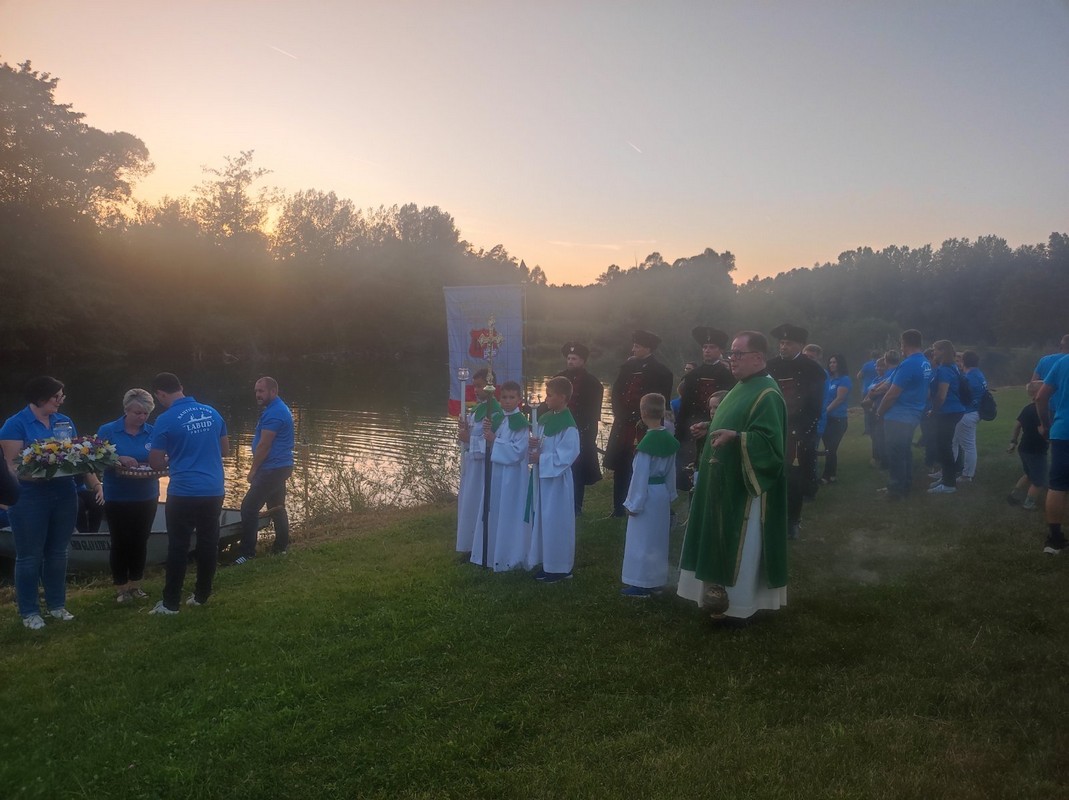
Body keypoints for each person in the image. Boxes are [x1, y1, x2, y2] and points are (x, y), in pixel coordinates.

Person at [677, 331, 788, 621]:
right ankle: (712, 598)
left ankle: (739, 605)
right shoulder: (743, 386)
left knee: (739, 541)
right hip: (722, 478)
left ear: (759, 358)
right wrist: (710, 425)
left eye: (739, 354)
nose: (732, 359)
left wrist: (737, 437)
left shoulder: (767, 392)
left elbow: (771, 443)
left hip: (744, 490)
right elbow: (737, 419)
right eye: (732, 354)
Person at [1, 377, 100, 630]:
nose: (61, 400)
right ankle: (30, 612)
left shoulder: (64, 422)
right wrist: (38, 474)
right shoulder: (15, 424)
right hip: (28, 497)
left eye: (62, 395)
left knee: (58, 552)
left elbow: (77, 457)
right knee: (29, 556)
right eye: (57, 396)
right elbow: (11, 467)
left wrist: (95, 482)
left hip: (65, 493)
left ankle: (56, 606)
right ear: (42, 397)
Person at [147, 372, 229, 615]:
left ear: (160, 394)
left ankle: (170, 603)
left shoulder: (165, 419)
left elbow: (154, 462)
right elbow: (224, 450)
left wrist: (174, 457)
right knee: (208, 543)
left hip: (184, 491)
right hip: (214, 489)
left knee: (179, 546)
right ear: (181, 387)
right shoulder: (212, 412)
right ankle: (202, 595)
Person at [96, 388, 160, 602]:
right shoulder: (108, 430)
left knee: (140, 540)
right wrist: (118, 459)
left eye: (145, 414)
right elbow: (96, 459)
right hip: (117, 496)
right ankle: (121, 588)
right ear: (126, 410)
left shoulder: (153, 432)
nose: (141, 418)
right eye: (137, 413)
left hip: (147, 495)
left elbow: (160, 458)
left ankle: (136, 585)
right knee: (120, 541)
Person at [603, 330, 673, 517]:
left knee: (641, 465)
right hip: (623, 422)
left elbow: (660, 400)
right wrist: (620, 413)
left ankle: (639, 504)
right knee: (621, 465)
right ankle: (618, 507)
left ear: (648, 348)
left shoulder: (661, 372)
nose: (633, 349)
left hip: (644, 425)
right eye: (633, 345)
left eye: (637, 346)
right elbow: (616, 392)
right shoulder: (627, 367)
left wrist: (645, 418)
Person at [766, 323, 825, 539]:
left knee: (794, 479)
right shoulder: (769, 366)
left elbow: (815, 406)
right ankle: (770, 517)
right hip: (771, 429)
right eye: (781, 343)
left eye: (788, 343)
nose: (783, 347)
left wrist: (801, 432)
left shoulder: (813, 370)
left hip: (797, 432)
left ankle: (793, 520)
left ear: (800, 345)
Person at [620, 393, 679, 598]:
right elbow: (672, 471)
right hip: (661, 493)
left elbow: (640, 476)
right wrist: (671, 494)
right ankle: (656, 581)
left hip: (646, 494)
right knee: (658, 538)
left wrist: (633, 503)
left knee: (642, 539)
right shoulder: (669, 439)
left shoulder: (647, 444)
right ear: (662, 413)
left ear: (643, 413)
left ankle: (641, 583)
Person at [235, 377, 294, 564]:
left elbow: (264, 445)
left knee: (249, 507)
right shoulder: (275, 408)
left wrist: (253, 470)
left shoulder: (275, 413)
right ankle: (281, 547)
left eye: (261, 391)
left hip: (272, 468)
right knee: (277, 506)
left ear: (273, 392)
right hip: (280, 466)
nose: (257, 395)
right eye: (256, 391)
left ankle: (246, 553)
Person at [527, 376, 581, 582]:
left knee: (556, 522)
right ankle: (546, 563)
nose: (546, 398)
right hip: (543, 478)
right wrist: (534, 443)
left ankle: (561, 568)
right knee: (543, 521)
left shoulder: (568, 426)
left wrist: (542, 457)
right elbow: (539, 446)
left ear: (563, 397)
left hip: (558, 481)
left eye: (550, 395)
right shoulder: (545, 418)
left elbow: (568, 454)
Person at [473, 381, 530, 571]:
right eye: (504, 397)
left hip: (512, 477)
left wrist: (494, 440)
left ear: (519, 400)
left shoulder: (521, 424)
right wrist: (486, 434)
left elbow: (517, 452)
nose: (507, 401)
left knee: (509, 511)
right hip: (496, 473)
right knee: (494, 509)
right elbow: (486, 447)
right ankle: (490, 554)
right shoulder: (498, 420)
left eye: (511, 397)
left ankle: (509, 555)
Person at [675, 326, 736, 490]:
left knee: (711, 475)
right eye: (705, 347)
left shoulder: (729, 376)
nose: (707, 350)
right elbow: (684, 406)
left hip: (716, 427)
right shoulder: (692, 375)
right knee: (688, 474)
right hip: (691, 428)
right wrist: (680, 431)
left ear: (720, 350)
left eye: (712, 347)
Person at [875, 330, 932, 500]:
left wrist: (879, 411)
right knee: (904, 451)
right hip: (914, 414)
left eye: (901, 343)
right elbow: (927, 390)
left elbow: (892, 393)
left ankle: (895, 490)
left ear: (904, 343)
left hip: (899, 416)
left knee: (895, 453)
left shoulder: (908, 364)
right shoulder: (925, 362)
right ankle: (906, 484)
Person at [554, 342, 603, 515]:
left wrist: (587, 435)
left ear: (583, 361)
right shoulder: (558, 379)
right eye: (568, 358)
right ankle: (557, 504)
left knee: (578, 471)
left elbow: (593, 413)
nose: (570, 361)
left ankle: (576, 507)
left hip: (581, 431)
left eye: (574, 358)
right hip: (558, 430)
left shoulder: (593, 384)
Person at [455, 368, 490, 557]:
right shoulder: (477, 409)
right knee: (468, 502)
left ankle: (477, 545)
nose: (476, 390)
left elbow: (491, 441)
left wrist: (469, 438)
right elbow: (468, 435)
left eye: (480, 386)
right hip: (472, 464)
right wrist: (464, 429)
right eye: (474, 386)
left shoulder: (494, 410)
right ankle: (467, 544)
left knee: (476, 502)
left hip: (482, 467)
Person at [1036, 356, 1069, 554]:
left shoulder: (1063, 362)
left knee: (1057, 485)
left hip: (1063, 431)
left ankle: (1054, 540)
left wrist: (1045, 425)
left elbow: (1040, 397)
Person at [927, 340, 966, 495]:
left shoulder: (944, 369)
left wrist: (934, 411)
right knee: (945, 446)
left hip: (948, 411)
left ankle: (949, 484)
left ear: (943, 351)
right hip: (955, 410)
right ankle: (946, 477)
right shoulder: (953, 367)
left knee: (944, 447)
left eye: (935, 349)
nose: (933, 352)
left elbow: (941, 395)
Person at [1007, 381, 1047, 512]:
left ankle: (1014, 496)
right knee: (1039, 480)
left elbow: (1017, 425)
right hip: (1036, 450)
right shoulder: (1040, 411)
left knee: (1028, 474)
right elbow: (1043, 431)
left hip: (1023, 448)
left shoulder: (1027, 408)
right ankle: (1029, 504)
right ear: (1038, 393)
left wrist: (1013, 441)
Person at [952, 351, 988, 483]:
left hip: (967, 413)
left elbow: (960, 395)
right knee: (954, 442)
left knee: (968, 446)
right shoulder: (979, 374)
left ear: (963, 362)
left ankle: (967, 475)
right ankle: (948, 469)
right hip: (974, 411)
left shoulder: (968, 378)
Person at [821, 353, 852, 484]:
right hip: (827, 419)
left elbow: (839, 399)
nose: (832, 365)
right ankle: (830, 475)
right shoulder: (830, 380)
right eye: (830, 362)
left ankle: (827, 476)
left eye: (834, 362)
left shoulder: (844, 380)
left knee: (831, 448)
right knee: (828, 448)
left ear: (840, 364)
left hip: (838, 419)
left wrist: (825, 411)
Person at [857, 350, 880, 435]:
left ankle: (867, 429)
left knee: (867, 411)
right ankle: (876, 427)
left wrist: (865, 378)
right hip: (878, 390)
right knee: (877, 408)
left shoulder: (866, 365)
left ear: (871, 356)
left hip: (866, 390)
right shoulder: (881, 364)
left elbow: (858, 376)